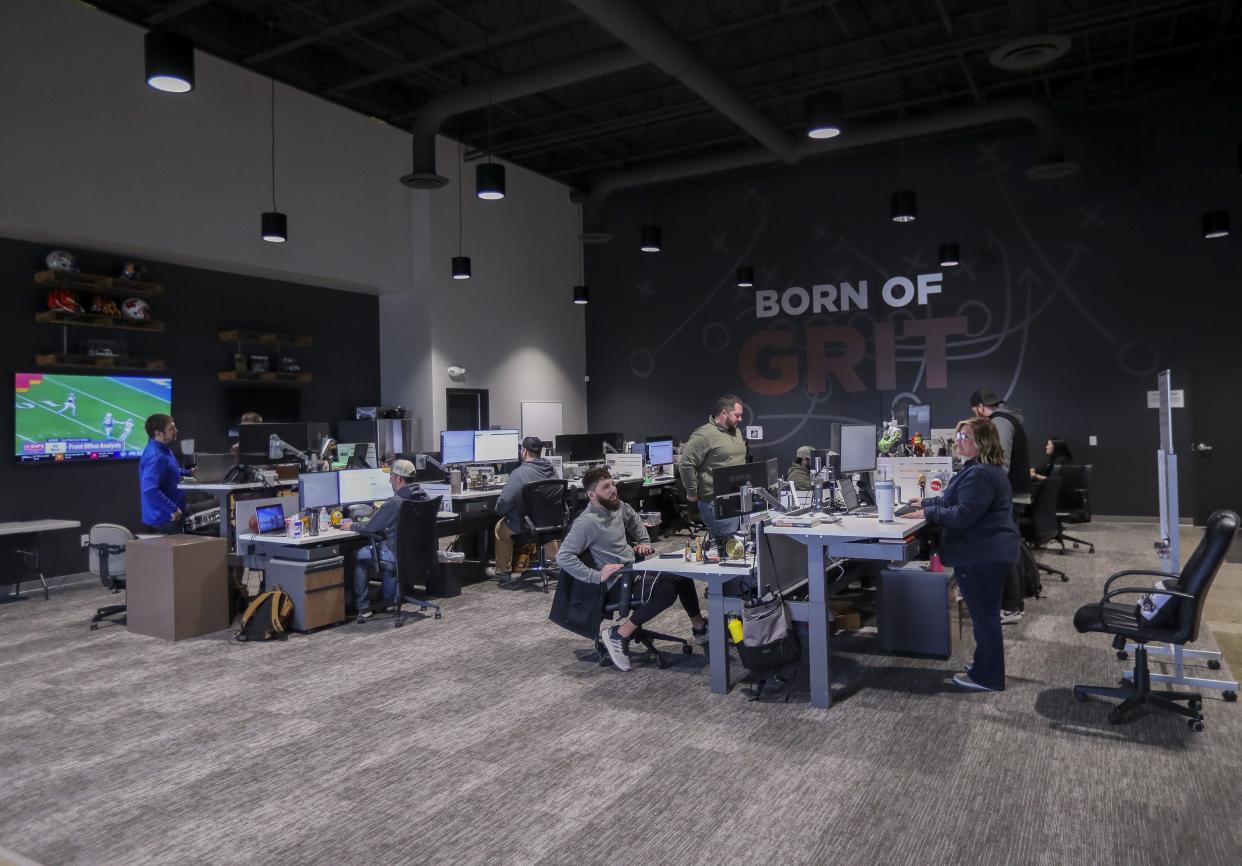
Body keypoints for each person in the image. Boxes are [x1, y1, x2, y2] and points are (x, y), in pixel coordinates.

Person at [907, 418, 1020, 692]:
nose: (958, 442)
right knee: (986, 616)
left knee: (985, 617)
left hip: (982, 554)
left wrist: (928, 513)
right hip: (988, 552)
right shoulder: (980, 470)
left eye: (964, 437)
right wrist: (927, 501)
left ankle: (988, 678)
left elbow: (963, 516)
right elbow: (955, 499)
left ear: (982, 442)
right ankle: (985, 666)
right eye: (958, 436)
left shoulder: (980, 473)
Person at [557, 468, 707, 671]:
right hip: (615, 582)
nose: (613, 490)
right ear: (592, 495)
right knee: (667, 591)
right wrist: (596, 576)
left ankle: (700, 628)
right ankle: (618, 634)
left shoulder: (618, 506)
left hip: (632, 571)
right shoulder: (587, 522)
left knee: (681, 574)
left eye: (612, 484)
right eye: (606, 487)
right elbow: (563, 556)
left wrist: (643, 542)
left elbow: (635, 522)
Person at [342, 458, 428, 621]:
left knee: (357, 556)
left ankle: (363, 606)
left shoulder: (395, 502)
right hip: (414, 554)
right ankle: (390, 601)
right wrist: (381, 512)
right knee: (388, 546)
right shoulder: (424, 497)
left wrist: (352, 526)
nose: (389, 480)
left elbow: (370, 528)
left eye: (391, 477)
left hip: (395, 553)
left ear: (399, 479)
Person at [678, 394, 748, 552]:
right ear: (724, 413)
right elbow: (685, 464)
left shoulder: (735, 432)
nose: (740, 419)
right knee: (729, 551)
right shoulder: (704, 435)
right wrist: (692, 493)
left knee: (738, 548)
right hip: (716, 502)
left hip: (738, 498)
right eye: (737, 415)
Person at [487, 436, 559, 582]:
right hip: (551, 522)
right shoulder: (551, 469)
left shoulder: (519, 473)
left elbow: (505, 502)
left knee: (500, 528)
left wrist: (499, 510)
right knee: (545, 523)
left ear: (524, 452)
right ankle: (554, 563)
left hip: (527, 525)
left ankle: (502, 571)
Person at [968, 387, 1031, 495]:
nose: (976, 416)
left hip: (1012, 497)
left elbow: (1000, 463)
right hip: (1014, 492)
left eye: (975, 412)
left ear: (980, 407)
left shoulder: (999, 423)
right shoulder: (1007, 420)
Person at [139, 413, 194, 533]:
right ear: (158, 433)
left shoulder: (163, 449)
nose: (176, 430)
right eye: (171, 429)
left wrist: (189, 472)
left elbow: (170, 470)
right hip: (164, 521)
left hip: (169, 518)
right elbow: (149, 489)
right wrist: (172, 508)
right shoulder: (156, 456)